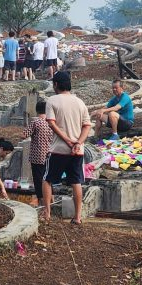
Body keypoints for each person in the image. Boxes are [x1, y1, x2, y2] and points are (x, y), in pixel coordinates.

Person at [42, 71, 91, 224]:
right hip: (77, 150)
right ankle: (77, 217)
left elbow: (51, 122)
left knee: (47, 179)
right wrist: (78, 142)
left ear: (56, 84)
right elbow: (87, 125)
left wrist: (67, 140)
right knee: (76, 181)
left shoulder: (52, 100)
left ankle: (47, 213)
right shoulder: (79, 102)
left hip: (59, 148)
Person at [22, 100, 54, 206]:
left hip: (37, 155)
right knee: (48, 178)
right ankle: (51, 198)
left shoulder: (36, 122)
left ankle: (41, 199)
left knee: (38, 178)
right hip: (50, 154)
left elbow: (24, 135)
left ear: (37, 110)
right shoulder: (52, 122)